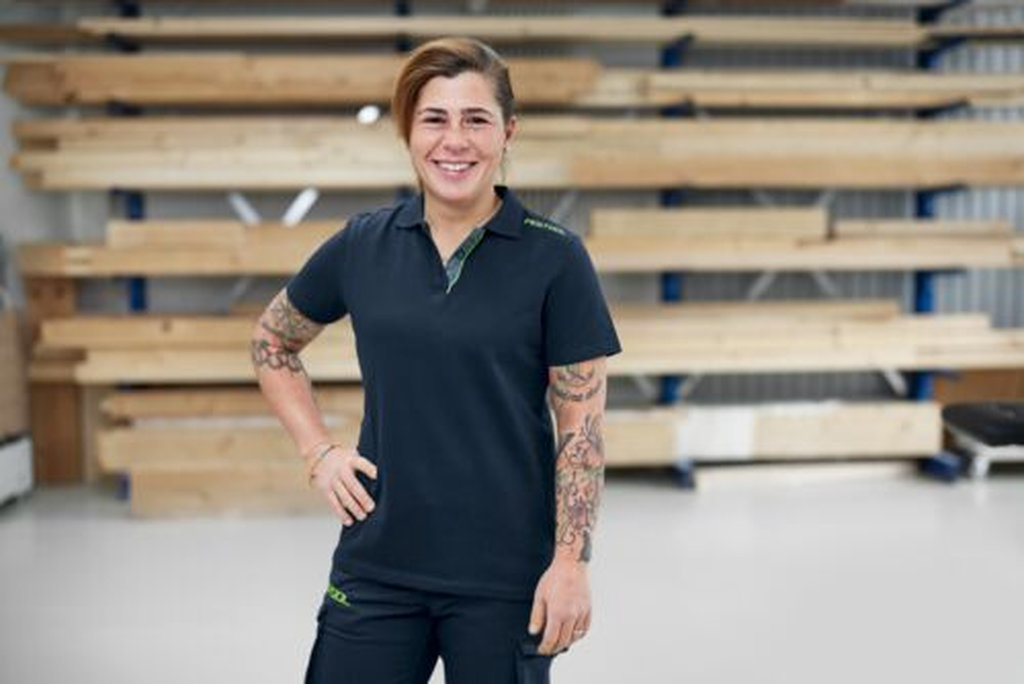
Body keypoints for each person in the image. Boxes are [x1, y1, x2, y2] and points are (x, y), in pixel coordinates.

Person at [251, 36, 622, 684]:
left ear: (508, 133)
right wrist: (319, 452)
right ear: (409, 132)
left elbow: (580, 433)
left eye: (476, 119)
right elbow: (272, 342)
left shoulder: (556, 259)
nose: (455, 141)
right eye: (434, 119)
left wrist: (571, 564)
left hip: (506, 578)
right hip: (378, 564)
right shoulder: (363, 245)